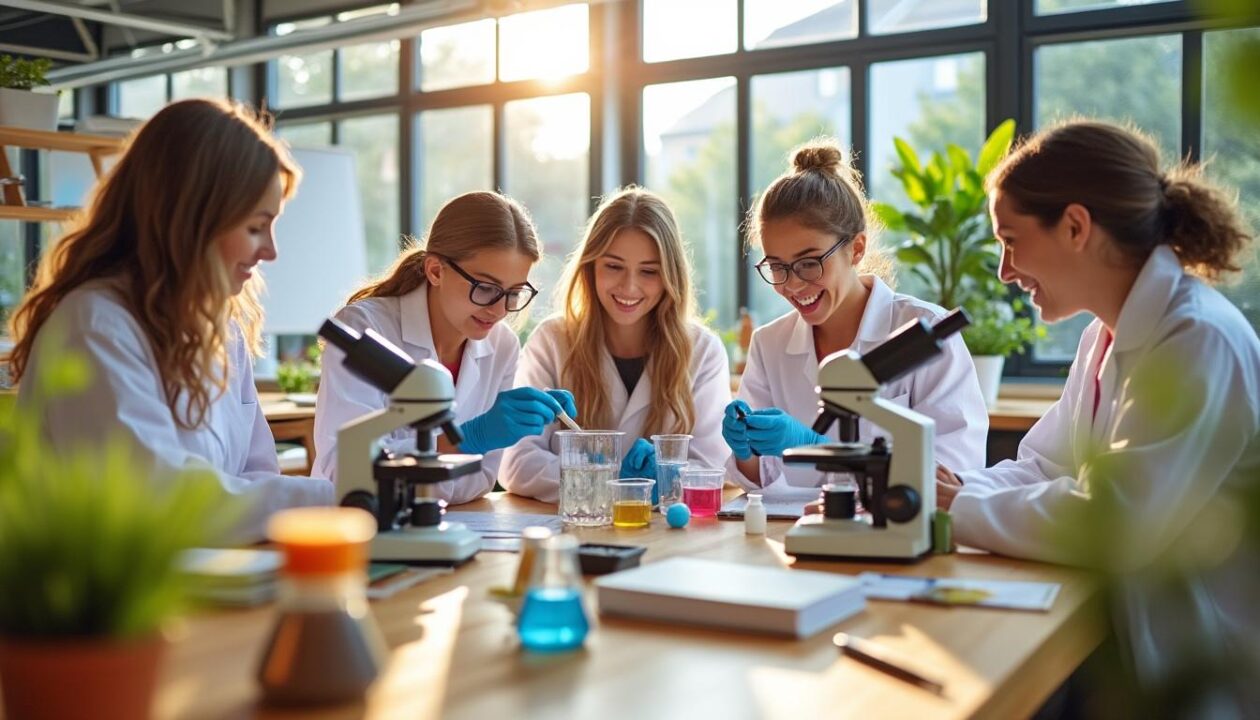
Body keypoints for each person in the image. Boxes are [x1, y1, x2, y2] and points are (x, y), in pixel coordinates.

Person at [936, 121, 1259, 711]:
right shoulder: (1103, 336)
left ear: (1076, 227)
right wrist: (948, 494)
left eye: (1010, 240)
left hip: (1203, 672)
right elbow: (1042, 463)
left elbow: (1119, 522)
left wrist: (959, 508)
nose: (1005, 270)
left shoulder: (1197, 338)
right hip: (1124, 646)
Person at [7, 98, 329, 541]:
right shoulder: (94, 324)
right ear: (192, 218)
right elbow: (160, 498)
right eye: (256, 227)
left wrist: (335, 501)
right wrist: (335, 498)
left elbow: (254, 474)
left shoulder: (222, 327)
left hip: (209, 581)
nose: (271, 251)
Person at [724, 139, 988, 491]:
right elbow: (763, 482)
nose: (793, 284)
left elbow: (950, 473)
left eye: (809, 262)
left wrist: (824, 450)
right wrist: (746, 449)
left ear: (857, 248)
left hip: (893, 538)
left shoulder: (925, 333)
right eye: (777, 267)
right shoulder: (769, 344)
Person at [314, 191, 574, 504]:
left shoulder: (501, 344)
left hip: (455, 523)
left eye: (514, 292)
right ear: (436, 270)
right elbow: (344, 472)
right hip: (359, 527)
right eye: (486, 288)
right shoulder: (363, 329)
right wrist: (466, 441)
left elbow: (481, 480)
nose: (499, 310)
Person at [502, 187, 731, 502]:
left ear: (670, 277)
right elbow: (516, 464)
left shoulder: (702, 351)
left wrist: (665, 477)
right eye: (613, 266)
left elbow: (713, 467)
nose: (629, 286)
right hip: (578, 528)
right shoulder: (551, 341)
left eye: (649, 271)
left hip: (666, 537)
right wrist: (611, 482)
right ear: (591, 266)